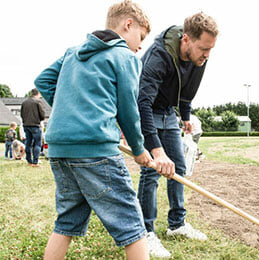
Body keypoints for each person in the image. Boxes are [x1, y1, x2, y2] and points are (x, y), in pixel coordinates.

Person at [34, 1, 159, 259]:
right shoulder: (125, 57)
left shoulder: (73, 52)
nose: (140, 45)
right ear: (128, 24)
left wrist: (72, 108)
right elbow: (128, 111)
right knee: (133, 225)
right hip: (96, 151)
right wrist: (138, 149)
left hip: (60, 150)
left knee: (66, 221)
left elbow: (43, 80)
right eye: (141, 37)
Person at [137, 12, 218, 258]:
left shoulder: (199, 58)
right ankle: (145, 231)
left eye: (211, 49)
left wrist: (185, 116)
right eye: (203, 48)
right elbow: (142, 103)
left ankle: (177, 225)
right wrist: (156, 150)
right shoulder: (159, 55)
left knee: (178, 169)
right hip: (148, 112)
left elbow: (186, 91)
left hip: (168, 114)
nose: (207, 54)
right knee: (151, 171)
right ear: (186, 39)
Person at [21, 88, 45, 167]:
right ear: (38, 93)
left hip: (26, 125)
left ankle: (29, 161)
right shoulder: (37, 102)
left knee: (28, 143)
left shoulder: (24, 102)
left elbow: (21, 114)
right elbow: (42, 115)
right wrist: (40, 119)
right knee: (38, 144)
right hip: (35, 125)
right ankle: (35, 162)